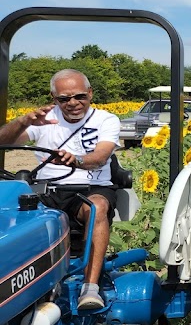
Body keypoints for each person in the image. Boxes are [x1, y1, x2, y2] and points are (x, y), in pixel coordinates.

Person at [0, 69, 121, 310]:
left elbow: (100, 156)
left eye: (79, 97)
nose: (73, 103)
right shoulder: (44, 120)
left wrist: (75, 160)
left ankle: (90, 288)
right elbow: (5, 141)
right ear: (54, 98)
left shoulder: (106, 120)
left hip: (89, 187)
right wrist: (23, 121)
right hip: (46, 190)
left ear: (90, 93)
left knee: (96, 207)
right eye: (64, 99)